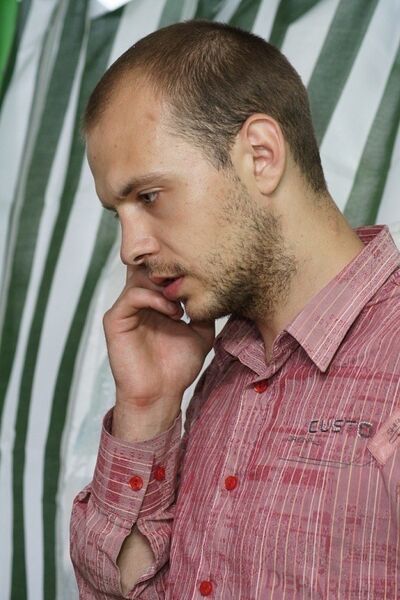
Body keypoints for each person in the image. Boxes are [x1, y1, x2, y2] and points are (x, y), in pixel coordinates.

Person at [70, 20, 400, 599]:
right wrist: (146, 409)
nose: (131, 249)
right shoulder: (218, 375)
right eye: (118, 213)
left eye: (149, 196)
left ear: (261, 155)